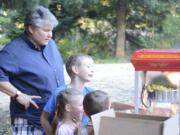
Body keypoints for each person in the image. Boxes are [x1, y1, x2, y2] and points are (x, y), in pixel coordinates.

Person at [0, 6, 65, 135]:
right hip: (29, 118)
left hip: (54, 116)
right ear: (31, 28)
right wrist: (17, 94)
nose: (50, 34)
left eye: (51, 30)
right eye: (46, 30)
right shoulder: (13, 51)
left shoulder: (50, 44)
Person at [41, 54, 94, 135]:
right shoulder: (60, 92)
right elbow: (44, 118)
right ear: (75, 69)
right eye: (88, 66)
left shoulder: (91, 93)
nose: (92, 70)